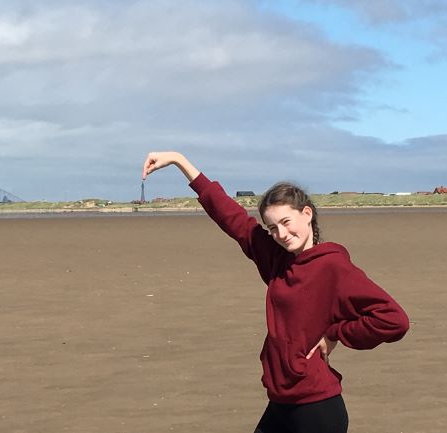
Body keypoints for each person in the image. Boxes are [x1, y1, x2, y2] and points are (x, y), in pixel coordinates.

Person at [142, 151, 409, 433]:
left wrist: (335, 333)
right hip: (280, 402)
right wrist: (179, 160)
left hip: (316, 409)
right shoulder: (276, 260)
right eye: (272, 228)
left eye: (285, 222)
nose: (281, 234)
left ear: (307, 214)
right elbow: (231, 218)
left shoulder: (333, 266)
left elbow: (393, 320)